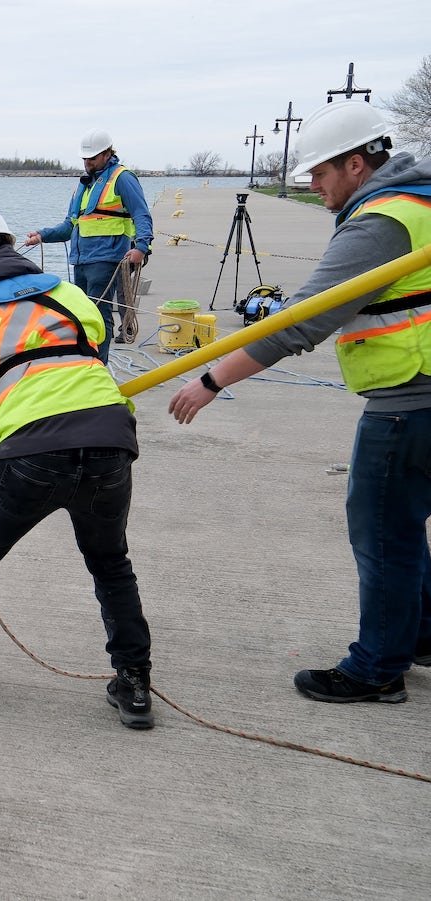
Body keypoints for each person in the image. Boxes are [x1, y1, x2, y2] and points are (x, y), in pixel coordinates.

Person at [168, 100, 431, 704]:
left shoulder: (382, 223)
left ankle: (376, 669)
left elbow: (299, 323)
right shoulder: (419, 203)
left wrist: (210, 382)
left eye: (319, 174)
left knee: (383, 532)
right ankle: (419, 634)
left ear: (358, 165)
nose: (313, 187)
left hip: (409, 401)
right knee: (404, 524)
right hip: (418, 397)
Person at [0, 204, 154, 729]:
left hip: (33, 453)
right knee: (110, 563)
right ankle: (134, 684)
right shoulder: (69, 295)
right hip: (110, 440)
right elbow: (86, 364)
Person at [25, 129, 154, 363]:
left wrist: (141, 247)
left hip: (107, 259)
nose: (87, 163)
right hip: (82, 261)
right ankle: (87, 361)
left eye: (92, 158)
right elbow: (69, 226)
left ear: (107, 154)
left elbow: (141, 215)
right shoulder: (83, 186)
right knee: (83, 314)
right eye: (85, 159)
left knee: (99, 314)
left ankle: (98, 366)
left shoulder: (122, 178)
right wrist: (41, 236)